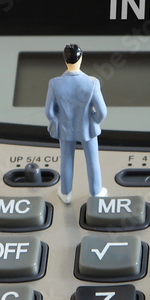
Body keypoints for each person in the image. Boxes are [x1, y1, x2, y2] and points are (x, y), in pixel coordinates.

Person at [45, 44, 108, 204]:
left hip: (65, 128)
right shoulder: (92, 82)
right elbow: (102, 112)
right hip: (88, 128)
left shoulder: (55, 83)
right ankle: (96, 191)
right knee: (93, 160)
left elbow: (49, 112)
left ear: (65, 60)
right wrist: (93, 120)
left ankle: (66, 193)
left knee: (66, 159)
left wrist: (58, 119)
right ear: (81, 59)